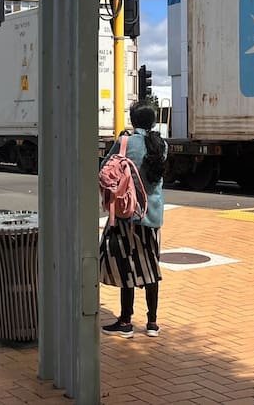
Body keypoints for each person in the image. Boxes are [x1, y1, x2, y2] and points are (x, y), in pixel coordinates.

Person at [99, 101, 167, 338]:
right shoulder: (162, 145)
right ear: (153, 121)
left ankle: (126, 322)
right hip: (153, 216)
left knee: (126, 266)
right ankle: (152, 323)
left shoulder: (125, 142)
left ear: (133, 119)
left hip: (127, 214)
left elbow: (105, 169)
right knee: (150, 267)